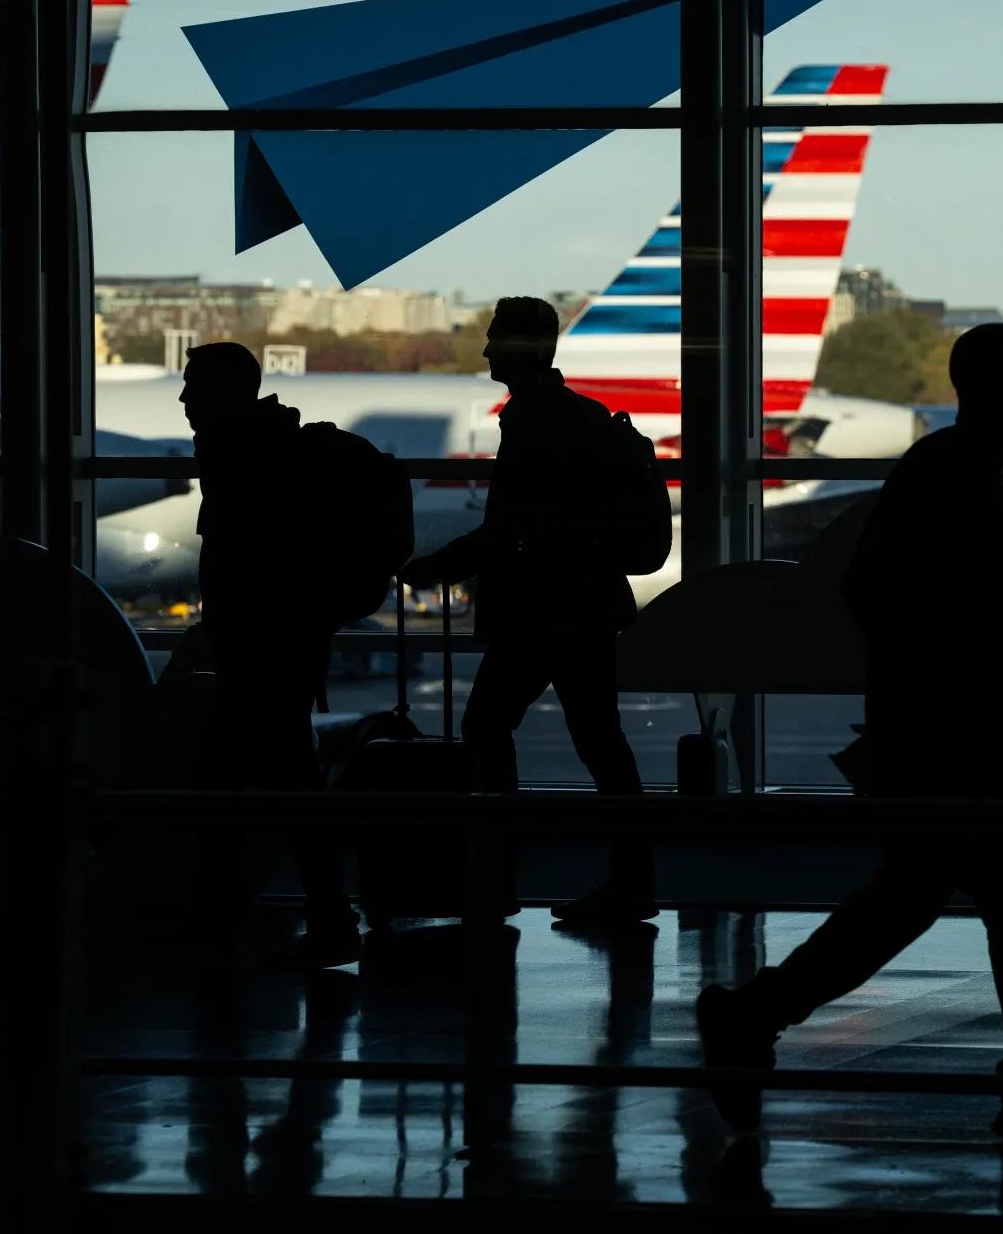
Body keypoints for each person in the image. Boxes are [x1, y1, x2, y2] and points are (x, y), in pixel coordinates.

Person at [693, 323, 1003, 1147]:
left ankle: (756, 1013)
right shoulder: (960, 480)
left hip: (939, 724)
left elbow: (875, 593)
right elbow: (928, 607)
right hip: (962, 729)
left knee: (929, 898)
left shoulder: (943, 472)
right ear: (1001, 389)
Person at [400, 296, 656, 927]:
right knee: (600, 743)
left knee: (488, 730)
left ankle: (498, 873)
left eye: (495, 339)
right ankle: (628, 879)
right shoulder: (581, 418)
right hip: (583, 607)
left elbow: (510, 529)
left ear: (523, 350)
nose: (486, 350)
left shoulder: (534, 425)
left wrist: (437, 566)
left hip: (543, 612)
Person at [183, 341, 361, 966]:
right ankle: (300, 917)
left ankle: (226, 923)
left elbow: (250, 563)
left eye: (193, 387)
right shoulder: (266, 449)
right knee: (280, 783)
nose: (182, 401)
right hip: (279, 647)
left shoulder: (248, 458)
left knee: (235, 782)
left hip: (263, 650)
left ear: (224, 394)